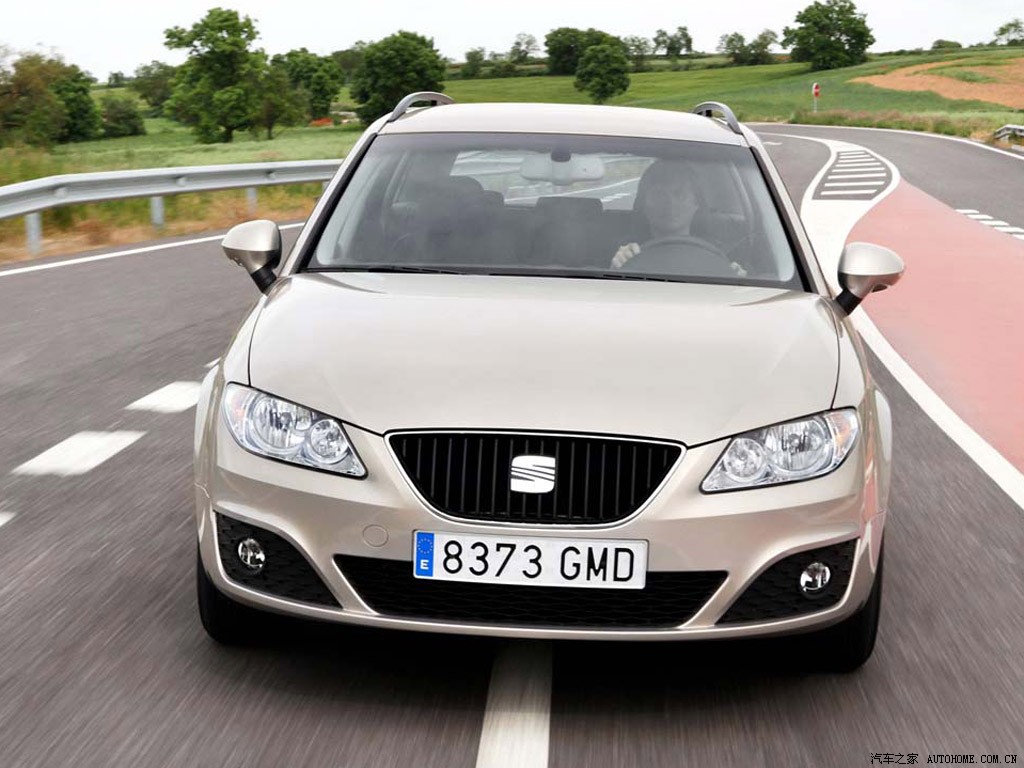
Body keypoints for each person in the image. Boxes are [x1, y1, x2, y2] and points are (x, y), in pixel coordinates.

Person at [611, 159, 701, 269]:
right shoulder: (626, 254)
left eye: (679, 194)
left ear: (696, 203)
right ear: (643, 203)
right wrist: (617, 270)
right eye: (659, 194)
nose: (670, 202)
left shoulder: (716, 252)